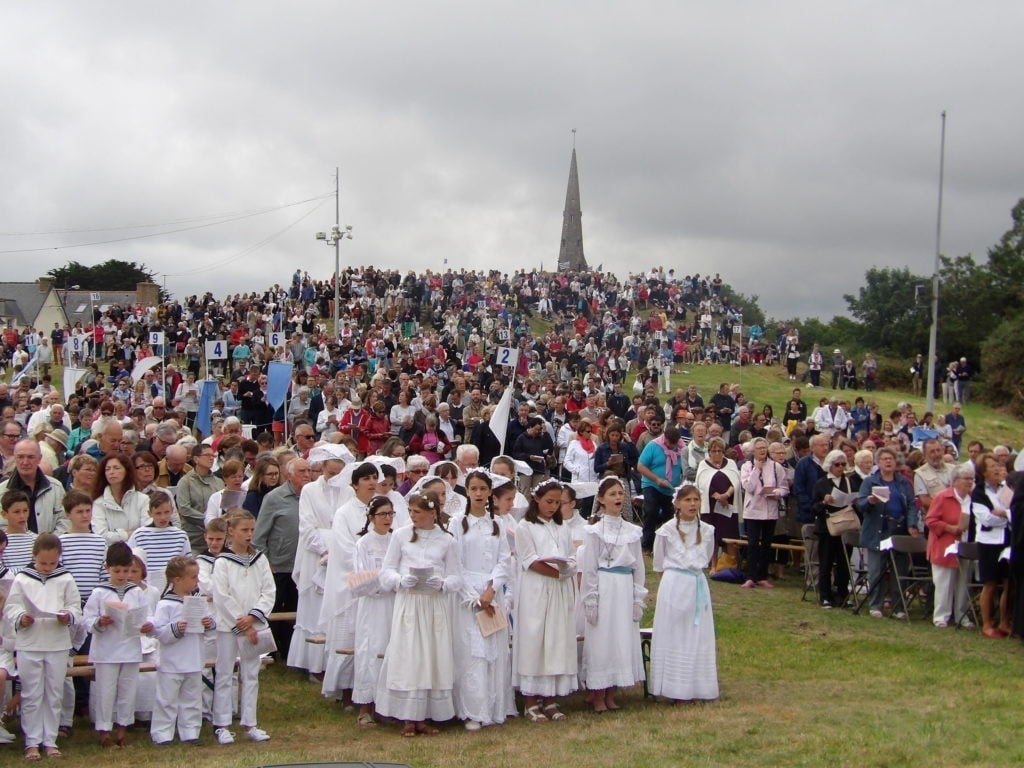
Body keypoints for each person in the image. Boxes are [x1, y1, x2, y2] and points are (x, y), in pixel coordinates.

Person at [374, 490, 461, 737]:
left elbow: (457, 576)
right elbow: (386, 571)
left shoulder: (447, 540)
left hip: (433, 605)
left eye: (418, 512)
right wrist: (401, 580)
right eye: (410, 511)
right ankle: (407, 717)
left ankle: (424, 715)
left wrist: (443, 583)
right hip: (409, 604)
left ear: (432, 513)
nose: (413, 516)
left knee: (431, 656)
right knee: (410, 655)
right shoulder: (401, 536)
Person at [4, 533, 81, 759]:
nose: (47, 568)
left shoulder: (65, 577)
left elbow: (75, 607)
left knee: (54, 693)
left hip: (57, 644)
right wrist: (21, 618)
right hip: (30, 643)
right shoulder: (22, 578)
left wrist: (67, 616)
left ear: (59, 558)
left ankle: (50, 740)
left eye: (52, 563)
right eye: (43, 563)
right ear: (34, 556)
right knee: (31, 693)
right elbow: (12, 608)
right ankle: (32, 742)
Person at [450, 470, 515, 730]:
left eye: (483, 489)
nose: (478, 494)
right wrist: (474, 596)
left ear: (490, 493)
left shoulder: (496, 523)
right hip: (467, 594)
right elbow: (454, 561)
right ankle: (472, 710)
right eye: (474, 489)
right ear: (467, 491)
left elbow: (504, 559)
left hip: (491, 591)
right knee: (472, 652)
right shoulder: (457, 523)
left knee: (494, 651)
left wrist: (492, 588)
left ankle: (494, 706)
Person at [512, 479, 578, 723]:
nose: (552, 507)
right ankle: (531, 700)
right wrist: (558, 573)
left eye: (557, 503)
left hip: (559, 588)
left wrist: (568, 568)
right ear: (537, 499)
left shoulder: (562, 527)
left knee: (555, 638)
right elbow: (529, 560)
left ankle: (550, 698)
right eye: (549, 501)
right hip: (537, 588)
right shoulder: (525, 526)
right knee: (535, 638)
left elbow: (571, 555)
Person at [580, 477, 646, 712]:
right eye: (612, 494)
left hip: (624, 587)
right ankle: (597, 693)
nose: (618, 498)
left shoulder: (632, 532)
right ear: (601, 499)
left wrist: (638, 597)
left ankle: (611, 693)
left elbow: (638, 567)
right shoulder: (594, 531)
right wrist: (591, 598)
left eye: (620, 494)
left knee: (620, 637)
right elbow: (589, 567)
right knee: (602, 638)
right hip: (604, 586)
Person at [211, 510, 276, 744]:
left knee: (251, 674)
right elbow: (221, 596)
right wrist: (242, 622)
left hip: (254, 624)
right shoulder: (222, 562)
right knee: (225, 673)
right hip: (229, 627)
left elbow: (269, 591)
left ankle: (250, 723)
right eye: (244, 530)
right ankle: (222, 724)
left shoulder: (260, 559)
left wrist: (253, 617)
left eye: (252, 530)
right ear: (231, 531)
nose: (249, 534)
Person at [649, 484, 718, 702]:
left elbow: (706, 557)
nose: (692, 504)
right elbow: (659, 563)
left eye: (696, 500)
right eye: (687, 500)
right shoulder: (666, 531)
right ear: (677, 503)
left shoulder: (707, 530)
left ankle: (697, 686)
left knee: (697, 634)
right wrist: (674, 584)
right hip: (674, 585)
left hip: (696, 584)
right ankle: (673, 687)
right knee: (675, 633)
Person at [83, 541, 155, 748]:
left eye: (126, 570)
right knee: (106, 691)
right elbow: (87, 619)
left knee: (127, 690)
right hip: (106, 650)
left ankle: (123, 730)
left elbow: (148, 615)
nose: (122, 575)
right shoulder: (99, 592)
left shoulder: (136, 592)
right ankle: (104, 732)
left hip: (131, 648)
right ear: (107, 568)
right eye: (117, 571)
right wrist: (100, 622)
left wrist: (146, 625)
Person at [320, 461, 381, 703]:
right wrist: (368, 570)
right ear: (355, 485)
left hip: (377, 582)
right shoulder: (344, 512)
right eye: (366, 479)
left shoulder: (381, 508)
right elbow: (346, 549)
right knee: (347, 635)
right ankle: (345, 690)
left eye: (374, 477)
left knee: (372, 636)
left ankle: (372, 689)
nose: (372, 482)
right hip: (350, 583)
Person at [150, 556, 215, 745]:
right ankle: (162, 734)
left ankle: (190, 732)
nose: (197, 581)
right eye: (193, 577)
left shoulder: (198, 602)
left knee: (192, 699)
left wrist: (208, 624)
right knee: (167, 700)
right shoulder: (165, 604)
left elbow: (211, 626)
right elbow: (159, 632)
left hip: (194, 658)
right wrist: (176, 629)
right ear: (177, 580)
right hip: (171, 662)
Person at [253, 455, 310, 661]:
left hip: (303, 565)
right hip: (279, 565)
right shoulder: (274, 498)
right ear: (289, 475)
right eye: (302, 471)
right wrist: (267, 563)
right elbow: (259, 536)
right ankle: (271, 650)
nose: (307, 475)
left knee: (298, 609)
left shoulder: (311, 496)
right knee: (275, 608)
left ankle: (292, 651)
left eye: (308, 471)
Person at [350, 495, 396, 728]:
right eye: (382, 514)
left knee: (390, 649)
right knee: (369, 650)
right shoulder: (363, 544)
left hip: (393, 604)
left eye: (390, 514)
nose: (387, 519)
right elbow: (360, 580)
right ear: (371, 517)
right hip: (372, 605)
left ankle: (387, 705)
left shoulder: (396, 540)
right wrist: (382, 579)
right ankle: (365, 706)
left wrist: (388, 579)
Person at [856, 447, 918, 619]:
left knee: (900, 570)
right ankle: (875, 604)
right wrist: (870, 501)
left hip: (899, 529)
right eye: (884, 459)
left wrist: (912, 524)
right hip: (879, 529)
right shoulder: (870, 481)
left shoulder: (903, 482)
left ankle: (898, 607)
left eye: (891, 458)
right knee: (877, 569)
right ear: (878, 463)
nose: (888, 461)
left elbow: (911, 504)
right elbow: (860, 504)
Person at [924, 464, 976, 628]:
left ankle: (962, 616)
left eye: (971, 479)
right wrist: (950, 528)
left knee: (963, 583)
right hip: (945, 545)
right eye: (966, 479)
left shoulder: (973, 498)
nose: (969, 482)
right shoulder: (942, 497)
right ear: (955, 481)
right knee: (944, 583)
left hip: (966, 545)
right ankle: (941, 617)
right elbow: (930, 520)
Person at [971, 453, 1012, 638]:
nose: (997, 469)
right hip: (989, 543)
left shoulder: (1006, 488)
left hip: (1007, 540)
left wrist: (1004, 514)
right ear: (983, 472)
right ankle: (987, 624)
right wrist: (1006, 517)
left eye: (998, 465)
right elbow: (986, 518)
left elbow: (1014, 512)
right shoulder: (979, 492)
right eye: (992, 466)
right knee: (990, 583)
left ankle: (1004, 622)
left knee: (1009, 583)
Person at [740, 437, 789, 590]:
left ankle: (762, 576)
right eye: (759, 448)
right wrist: (756, 470)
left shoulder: (775, 466)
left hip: (770, 510)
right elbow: (748, 487)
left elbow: (785, 488)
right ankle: (750, 576)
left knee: (767, 544)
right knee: (753, 543)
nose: (762, 450)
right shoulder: (747, 466)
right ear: (753, 451)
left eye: (764, 448)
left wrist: (776, 493)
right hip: (753, 510)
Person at [811, 450, 855, 609]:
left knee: (844, 563)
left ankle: (842, 594)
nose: (841, 467)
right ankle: (825, 596)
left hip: (846, 526)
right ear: (830, 465)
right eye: (837, 464)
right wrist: (824, 502)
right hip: (827, 528)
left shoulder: (848, 482)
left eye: (843, 464)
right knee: (826, 562)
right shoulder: (821, 483)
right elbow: (814, 508)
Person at [694, 437, 742, 573]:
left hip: (728, 506)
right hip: (710, 506)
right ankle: (713, 565)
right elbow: (702, 484)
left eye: (719, 451)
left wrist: (726, 495)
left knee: (730, 535)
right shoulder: (703, 464)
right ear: (709, 452)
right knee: (712, 535)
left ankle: (731, 565)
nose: (716, 453)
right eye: (713, 451)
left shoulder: (730, 463)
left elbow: (736, 482)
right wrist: (717, 496)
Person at [127, 492, 190, 595]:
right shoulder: (139, 535)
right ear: (150, 513)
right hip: (145, 590)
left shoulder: (181, 536)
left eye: (166, 512)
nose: (163, 517)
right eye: (158, 513)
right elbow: (128, 562)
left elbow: (187, 566)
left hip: (173, 591)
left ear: (172, 511)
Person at [0, 438, 67, 534]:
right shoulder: (2, 490)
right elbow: (2, 525)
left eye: (30, 457)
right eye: (20, 457)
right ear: (14, 458)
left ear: (39, 458)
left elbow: (64, 520)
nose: (25, 462)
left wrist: (48, 541)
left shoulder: (56, 488)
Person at [637, 425, 685, 552]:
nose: (672, 446)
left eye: (675, 443)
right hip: (652, 485)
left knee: (670, 516)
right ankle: (647, 546)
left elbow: (684, 468)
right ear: (665, 438)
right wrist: (657, 479)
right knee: (651, 511)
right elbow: (640, 466)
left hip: (671, 489)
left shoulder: (682, 448)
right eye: (670, 443)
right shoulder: (653, 446)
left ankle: (668, 546)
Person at [176, 444, 225, 552]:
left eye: (213, 455)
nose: (211, 458)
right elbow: (184, 509)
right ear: (196, 459)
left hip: (217, 539)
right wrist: (209, 520)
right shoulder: (185, 482)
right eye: (207, 455)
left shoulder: (219, 482)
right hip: (195, 540)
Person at [92, 453, 149, 545]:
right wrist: (127, 534)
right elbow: (101, 536)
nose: (111, 472)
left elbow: (147, 531)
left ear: (127, 471)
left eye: (116, 468)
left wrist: (115, 535)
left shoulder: (143, 499)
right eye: (107, 469)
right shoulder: (98, 503)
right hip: (110, 552)